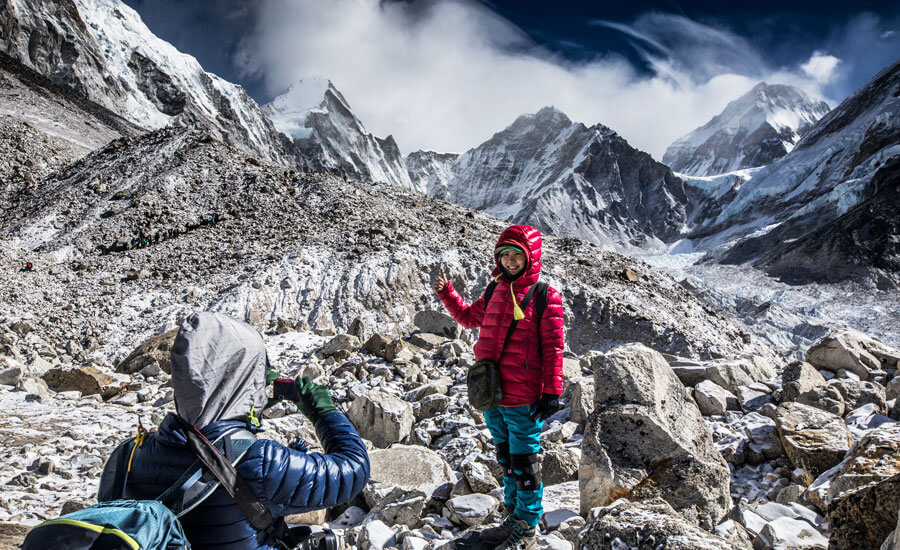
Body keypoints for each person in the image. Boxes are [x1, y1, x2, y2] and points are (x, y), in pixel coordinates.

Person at [98, 312, 370, 550]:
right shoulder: (262, 464)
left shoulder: (130, 454)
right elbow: (353, 468)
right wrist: (323, 412)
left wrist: (249, 406)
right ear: (243, 378)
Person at [433, 224, 564, 550]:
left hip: (522, 395)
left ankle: (527, 526)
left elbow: (553, 348)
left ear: (530, 258)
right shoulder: (494, 291)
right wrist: (447, 292)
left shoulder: (545, 296)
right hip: (491, 392)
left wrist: (552, 392)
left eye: (516, 255)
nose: (509, 261)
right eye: (504, 254)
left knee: (524, 462)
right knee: (506, 458)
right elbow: (467, 317)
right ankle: (512, 516)